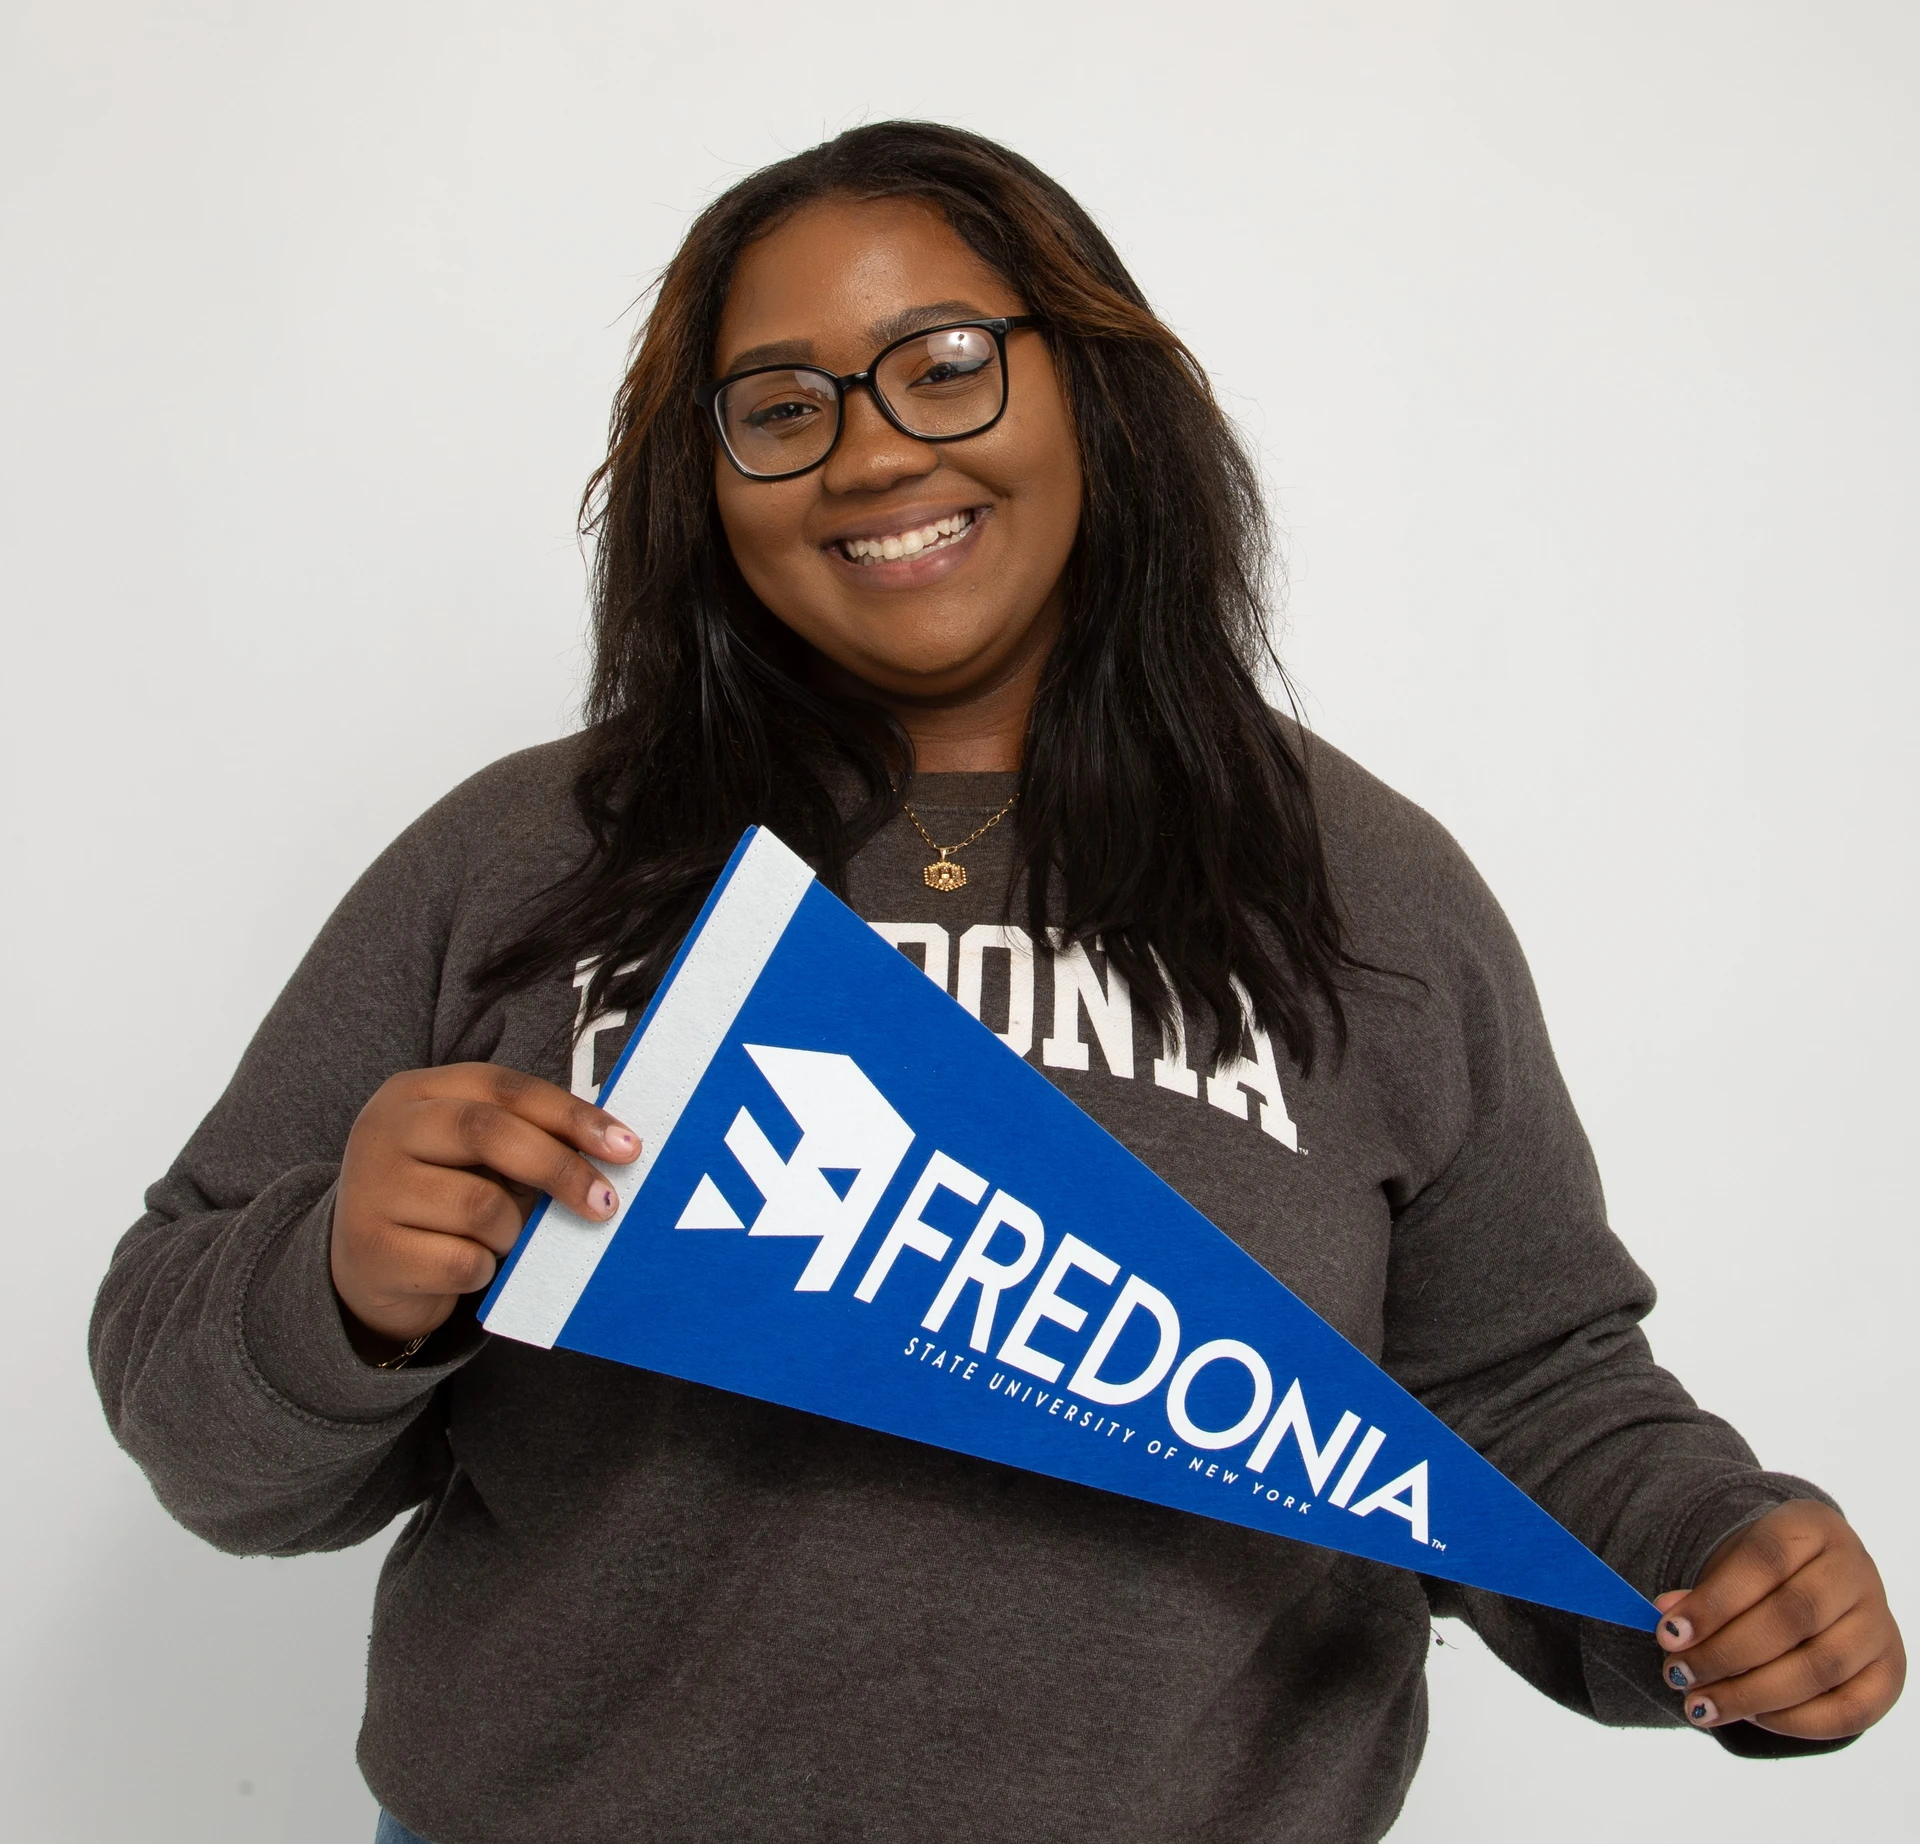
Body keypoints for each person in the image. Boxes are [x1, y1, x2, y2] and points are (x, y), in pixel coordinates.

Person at [90, 121, 1903, 1844]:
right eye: (780, 409)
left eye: (945, 364)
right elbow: (193, 1408)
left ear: (1092, 393)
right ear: (702, 487)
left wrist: (1720, 1566)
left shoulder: (1365, 891)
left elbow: (1522, 1388)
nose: (873, 454)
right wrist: (338, 1284)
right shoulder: (520, 857)